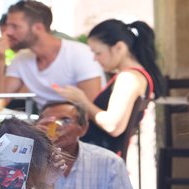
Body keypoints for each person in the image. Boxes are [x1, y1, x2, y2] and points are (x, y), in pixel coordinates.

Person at [55, 19, 167, 157]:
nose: (95, 59)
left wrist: (82, 101)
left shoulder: (128, 78)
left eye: (98, 53)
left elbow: (113, 126)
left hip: (100, 158)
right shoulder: (132, 76)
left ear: (119, 47)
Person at [0, 0, 104, 107]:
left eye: (15, 26)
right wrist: (0, 59)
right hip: (44, 126)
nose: (7, 32)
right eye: (8, 26)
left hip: (78, 127)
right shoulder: (21, 58)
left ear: (38, 28)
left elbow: (91, 109)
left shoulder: (80, 54)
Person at [36, 100, 136, 189]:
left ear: (83, 128)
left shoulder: (110, 162)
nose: (55, 126)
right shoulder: (30, 160)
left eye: (65, 120)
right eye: (48, 121)